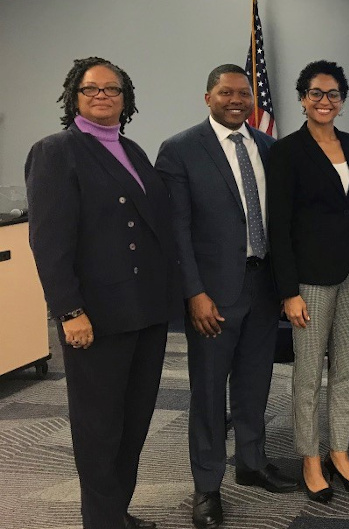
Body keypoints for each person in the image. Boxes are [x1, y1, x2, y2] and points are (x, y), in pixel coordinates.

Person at [25, 56, 180, 529]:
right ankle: (102, 521)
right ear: (74, 96)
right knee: (99, 429)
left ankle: (116, 513)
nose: (102, 96)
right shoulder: (56, 151)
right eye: (91, 88)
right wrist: (68, 311)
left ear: (125, 99)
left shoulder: (132, 150)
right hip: (96, 316)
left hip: (146, 310)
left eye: (112, 89)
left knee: (134, 423)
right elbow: (49, 243)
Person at [155, 64, 297, 529]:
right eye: (225, 92)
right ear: (208, 97)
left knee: (255, 384)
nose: (236, 100)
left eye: (243, 93)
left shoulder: (268, 147)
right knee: (209, 391)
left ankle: (252, 463)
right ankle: (207, 485)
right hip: (212, 294)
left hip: (263, 286)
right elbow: (176, 230)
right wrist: (194, 293)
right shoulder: (180, 149)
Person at [267, 60, 349, 503]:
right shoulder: (287, 151)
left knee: (346, 369)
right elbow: (279, 226)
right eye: (316, 93)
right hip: (310, 281)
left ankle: (339, 451)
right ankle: (310, 457)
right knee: (308, 374)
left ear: (342, 100)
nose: (324, 101)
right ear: (303, 99)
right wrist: (288, 292)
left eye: (333, 94)